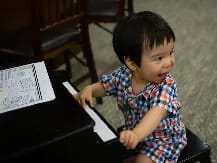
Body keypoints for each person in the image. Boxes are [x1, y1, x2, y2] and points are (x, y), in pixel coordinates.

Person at [75, 11, 187, 163]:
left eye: (171, 52)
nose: (169, 62)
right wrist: (90, 90)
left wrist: (136, 134)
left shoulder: (166, 85)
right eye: (159, 58)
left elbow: (156, 114)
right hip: (137, 135)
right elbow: (105, 86)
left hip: (164, 140)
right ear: (132, 64)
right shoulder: (123, 75)